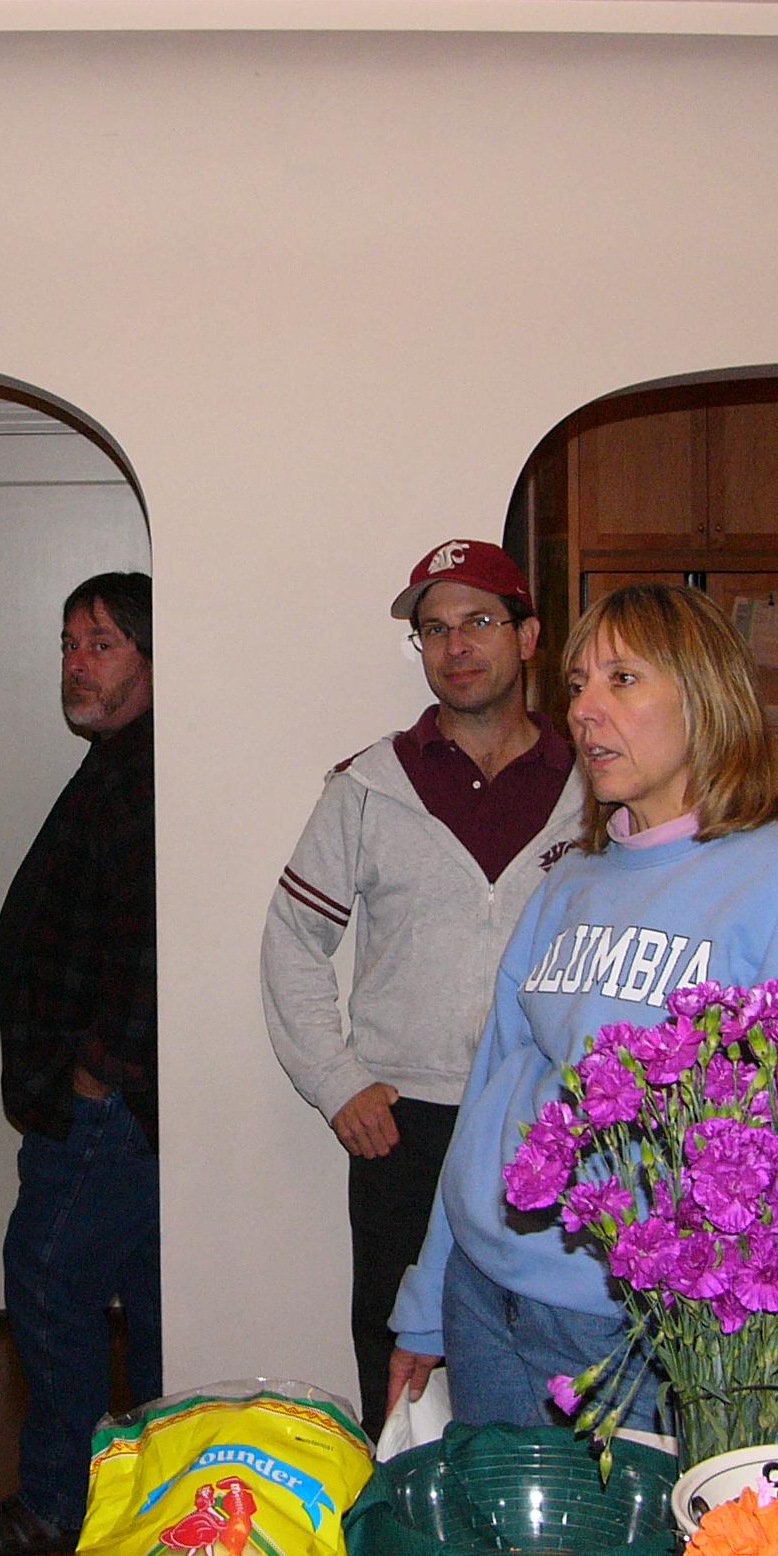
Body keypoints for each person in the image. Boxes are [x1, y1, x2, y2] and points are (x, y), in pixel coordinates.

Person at [387, 581, 778, 1443]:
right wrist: (428, 1303)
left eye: (622, 679)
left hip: (643, 1332)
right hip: (484, 1297)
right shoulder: (570, 881)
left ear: (705, 697)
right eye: (577, 683)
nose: (584, 709)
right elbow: (491, 1095)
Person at [262, 537, 584, 1438]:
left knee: (550, 1353)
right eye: (435, 630)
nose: (456, 646)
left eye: (479, 621)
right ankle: (405, 1517)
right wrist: (337, 1083)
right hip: (405, 1126)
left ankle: (535, 1511)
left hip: (551, 1120)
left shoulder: (592, 786)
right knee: (398, 1360)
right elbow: (293, 939)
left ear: (528, 636)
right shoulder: (371, 786)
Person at [0, 572, 159, 1556]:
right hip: (115, 1102)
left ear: (155, 658)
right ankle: (154, 1496)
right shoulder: (120, 762)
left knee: (45, 1282)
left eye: (102, 644)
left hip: (108, 1107)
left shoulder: (144, 776)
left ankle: (59, 1501)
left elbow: (149, 944)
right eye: (69, 644)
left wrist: (97, 1074)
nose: (77, 664)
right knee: (151, 1302)